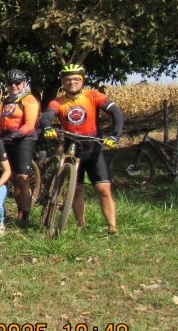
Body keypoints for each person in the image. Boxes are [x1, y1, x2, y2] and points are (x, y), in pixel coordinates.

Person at [40, 63, 123, 234]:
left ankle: (112, 227)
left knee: (103, 189)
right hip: (72, 148)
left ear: (82, 80)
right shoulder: (58, 101)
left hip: (93, 147)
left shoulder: (93, 96)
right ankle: (81, 226)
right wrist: (47, 127)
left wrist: (115, 135)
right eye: (68, 79)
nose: (72, 82)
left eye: (76, 79)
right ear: (63, 83)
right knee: (76, 190)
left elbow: (116, 113)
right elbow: (47, 116)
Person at [0, 68, 40, 227]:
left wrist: (15, 135)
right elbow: (2, 122)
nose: (13, 86)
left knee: (22, 178)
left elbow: (30, 124)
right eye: (10, 83)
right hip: (7, 140)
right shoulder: (7, 101)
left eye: (17, 83)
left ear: (24, 83)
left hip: (23, 140)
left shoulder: (29, 100)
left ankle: (25, 215)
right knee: (12, 177)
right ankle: (20, 208)